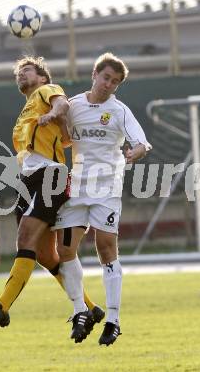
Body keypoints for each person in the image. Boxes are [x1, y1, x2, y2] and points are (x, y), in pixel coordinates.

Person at [0, 56, 97, 340]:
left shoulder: (47, 91)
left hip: (49, 176)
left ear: (42, 77)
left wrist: (55, 112)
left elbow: (63, 103)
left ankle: (1, 306)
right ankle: (90, 309)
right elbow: (64, 140)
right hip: (30, 180)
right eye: (18, 73)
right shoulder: (26, 110)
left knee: (25, 238)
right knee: (44, 254)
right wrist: (56, 124)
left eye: (27, 71)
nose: (21, 75)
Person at [52, 52, 152, 346]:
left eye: (115, 82)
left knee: (105, 247)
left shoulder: (119, 111)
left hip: (107, 189)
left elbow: (142, 141)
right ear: (94, 74)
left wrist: (136, 151)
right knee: (64, 250)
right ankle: (80, 310)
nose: (109, 84)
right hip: (77, 188)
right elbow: (67, 139)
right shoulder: (74, 105)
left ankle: (114, 319)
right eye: (106, 77)